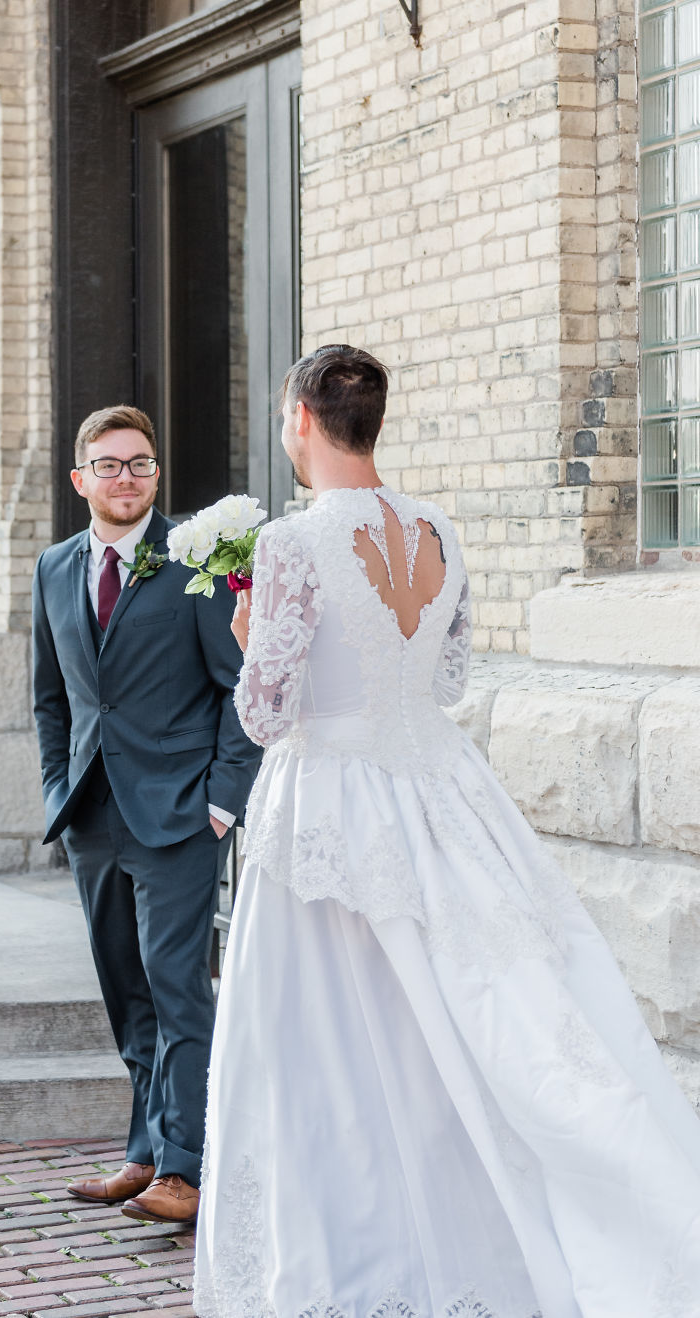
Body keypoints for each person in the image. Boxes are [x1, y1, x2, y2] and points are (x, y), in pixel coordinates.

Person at [194, 346, 700, 1316]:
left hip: (329, 807)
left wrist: (249, 641)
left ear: (302, 418)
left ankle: (363, 1260)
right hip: (441, 793)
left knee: (329, 1040)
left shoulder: (293, 543)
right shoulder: (439, 528)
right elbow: (453, 682)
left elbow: (263, 715)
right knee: (459, 1027)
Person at [32, 404, 261, 1225]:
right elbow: (51, 697)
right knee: (126, 990)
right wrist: (57, 789)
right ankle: (143, 1154)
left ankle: (185, 1169)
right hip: (91, 814)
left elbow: (240, 686)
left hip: (180, 817)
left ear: (156, 474)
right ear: (80, 478)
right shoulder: (54, 567)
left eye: (139, 463)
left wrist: (223, 801)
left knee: (176, 990)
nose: (124, 477)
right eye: (108, 464)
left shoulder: (196, 561)